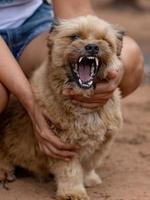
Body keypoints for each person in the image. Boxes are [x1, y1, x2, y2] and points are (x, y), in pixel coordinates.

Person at [0, 0, 144, 160]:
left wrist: (114, 70)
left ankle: (77, 143)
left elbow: (75, 10)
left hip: (34, 24)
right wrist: (31, 103)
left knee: (131, 59)